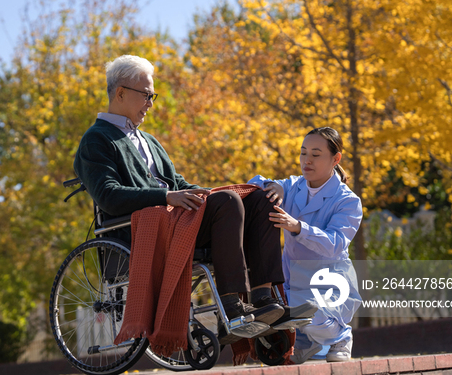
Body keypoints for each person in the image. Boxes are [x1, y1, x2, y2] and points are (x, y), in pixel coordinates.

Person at [74, 55, 313, 346]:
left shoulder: (149, 141)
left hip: (179, 219)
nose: (150, 103)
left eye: (153, 96)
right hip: (145, 230)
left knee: (258, 200)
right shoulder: (96, 140)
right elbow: (109, 195)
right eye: (146, 95)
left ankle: (264, 300)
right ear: (120, 92)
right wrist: (167, 196)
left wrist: (211, 193)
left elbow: (181, 185)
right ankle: (232, 307)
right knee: (226, 203)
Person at [248, 127, 362, 363]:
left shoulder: (348, 201)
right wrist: (272, 185)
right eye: (303, 153)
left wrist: (298, 227)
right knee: (284, 313)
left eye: (316, 154)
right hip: (293, 279)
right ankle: (303, 341)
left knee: (312, 314)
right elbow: (252, 184)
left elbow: (335, 244)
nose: (307, 160)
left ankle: (340, 335)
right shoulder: (292, 186)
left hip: (330, 282)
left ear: (335, 159)